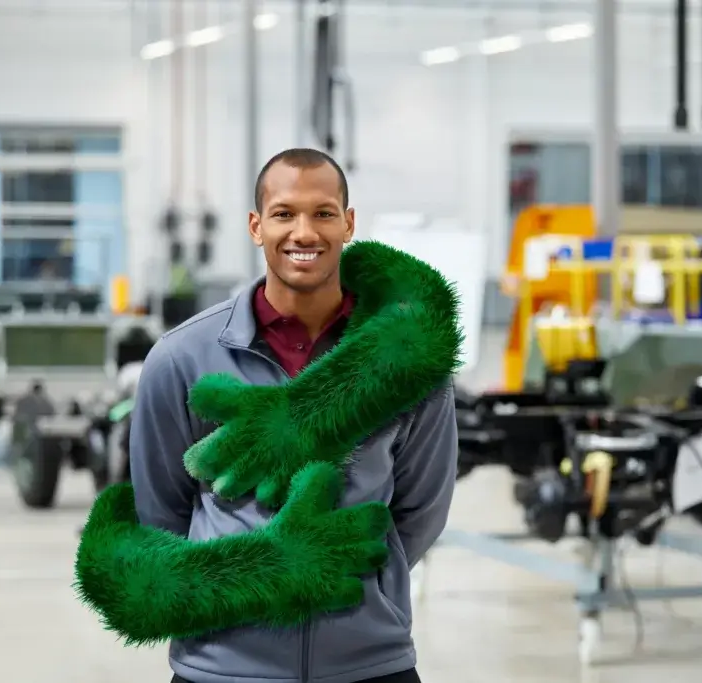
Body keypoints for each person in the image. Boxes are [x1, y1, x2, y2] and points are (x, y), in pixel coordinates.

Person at [74, 148, 462, 683]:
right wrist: (271, 573)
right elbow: (160, 511)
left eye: (323, 213)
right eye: (284, 213)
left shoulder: (408, 366)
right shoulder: (182, 357)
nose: (304, 232)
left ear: (349, 224)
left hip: (371, 663)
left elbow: (422, 509)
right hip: (220, 668)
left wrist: (360, 581)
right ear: (257, 227)